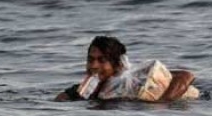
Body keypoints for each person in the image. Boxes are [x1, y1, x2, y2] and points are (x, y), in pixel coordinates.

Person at [55, 36, 199, 102]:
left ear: (117, 64)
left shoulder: (133, 79)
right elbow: (61, 99)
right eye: (90, 60)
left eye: (102, 60)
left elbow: (186, 75)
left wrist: (163, 103)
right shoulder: (83, 90)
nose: (94, 66)